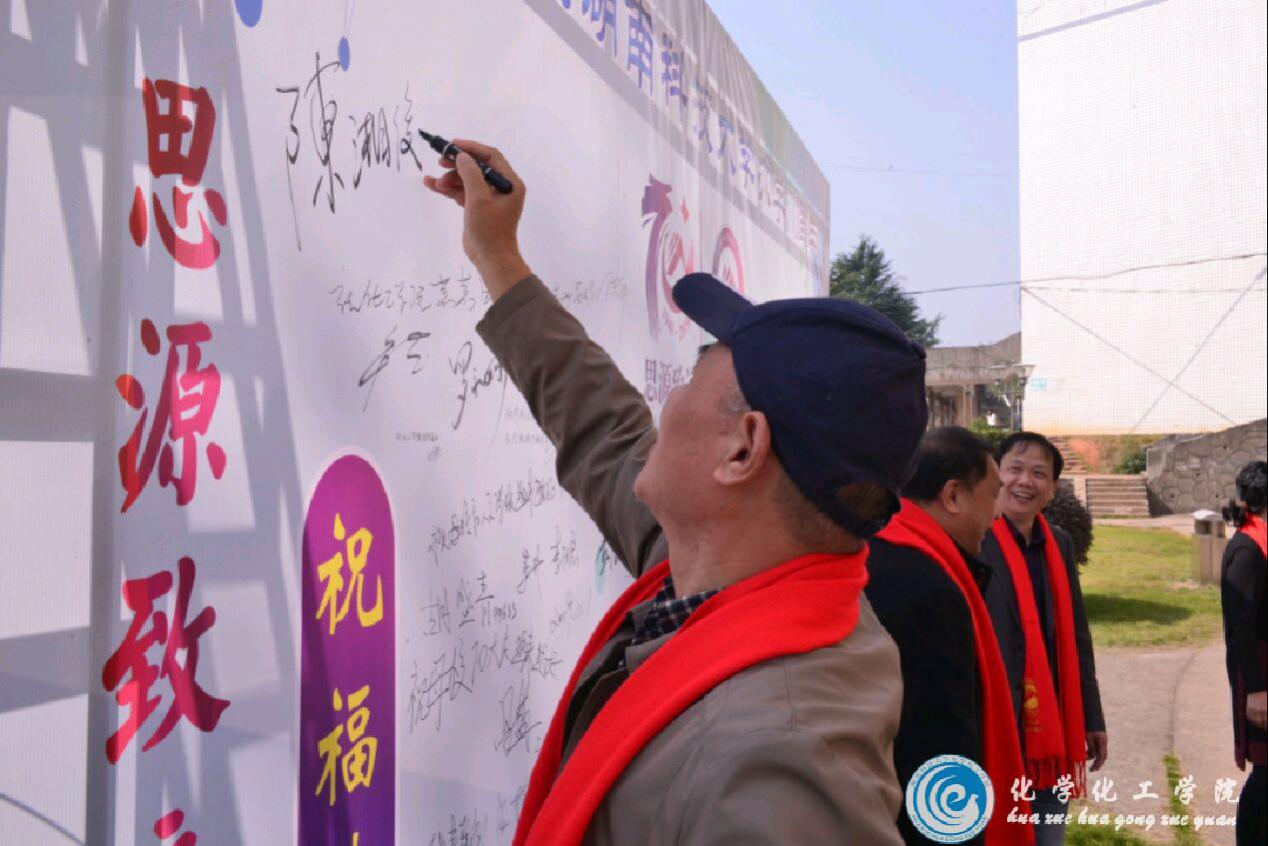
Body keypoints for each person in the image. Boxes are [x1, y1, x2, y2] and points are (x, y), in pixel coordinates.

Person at [425, 141, 927, 845]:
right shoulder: (732, 576)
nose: (664, 402)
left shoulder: (777, 766)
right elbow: (602, 425)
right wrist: (498, 255)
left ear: (742, 449)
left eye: (693, 377)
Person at [868, 426, 1032, 845]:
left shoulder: (875, 549)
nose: (997, 515)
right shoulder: (929, 589)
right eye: (991, 496)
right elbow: (938, 747)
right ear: (953, 496)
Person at [980, 432, 1107, 846]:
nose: (1025, 481)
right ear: (994, 476)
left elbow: (1077, 636)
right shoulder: (974, 541)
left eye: (1039, 473)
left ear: (1052, 489)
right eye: (1014, 469)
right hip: (994, 721)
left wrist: (1092, 717)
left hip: (1053, 726)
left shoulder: (1060, 544)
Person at [1220, 460, 1267, 846]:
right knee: (1266, 773)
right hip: (1259, 673)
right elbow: (1240, 627)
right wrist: (1256, 690)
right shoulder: (1247, 549)